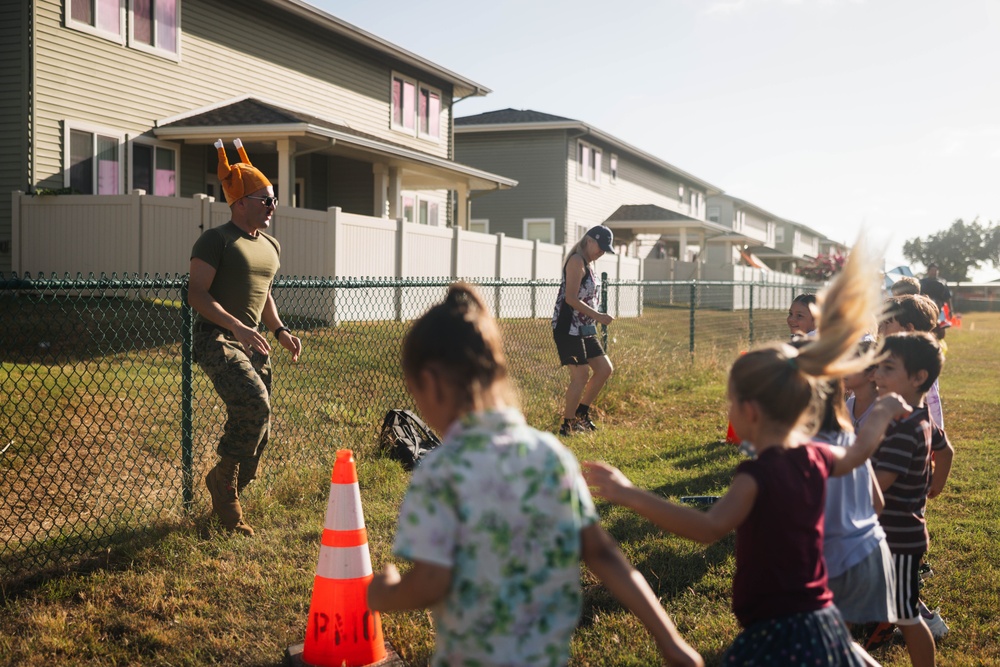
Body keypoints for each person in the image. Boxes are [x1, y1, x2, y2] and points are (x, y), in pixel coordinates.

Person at [584, 241, 911, 665]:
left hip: (777, 630)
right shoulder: (816, 456)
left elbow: (708, 528)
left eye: (732, 403)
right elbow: (856, 457)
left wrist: (629, 493)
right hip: (821, 616)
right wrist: (882, 413)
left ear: (751, 411)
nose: (730, 411)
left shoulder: (758, 474)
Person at [367, 283, 702, 667]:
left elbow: (430, 583)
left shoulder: (441, 472)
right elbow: (603, 554)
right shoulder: (551, 455)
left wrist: (385, 594)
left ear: (431, 383)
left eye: (415, 393)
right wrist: (670, 639)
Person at [188, 139, 302, 536]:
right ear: (240, 201)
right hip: (217, 338)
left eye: (273, 200)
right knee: (254, 404)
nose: (272, 206)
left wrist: (281, 330)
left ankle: (226, 482)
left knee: (261, 428)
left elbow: (264, 294)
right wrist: (235, 325)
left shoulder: (271, 246)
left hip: (253, 341)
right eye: (265, 200)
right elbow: (196, 294)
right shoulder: (215, 240)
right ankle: (225, 491)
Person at [871, 332, 954, 665]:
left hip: (897, 540)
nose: (876, 374)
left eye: (887, 368)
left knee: (906, 616)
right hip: (894, 536)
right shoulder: (919, 416)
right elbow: (945, 451)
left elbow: (877, 485)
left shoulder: (903, 430)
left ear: (919, 377)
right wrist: (936, 484)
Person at [552, 225, 616, 436]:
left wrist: (595, 315)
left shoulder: (589, 265)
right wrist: (599, 316)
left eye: (606, 248)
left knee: (604, 369)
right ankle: (567, 426)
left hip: (584, 328)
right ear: (589, 240)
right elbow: (571, 298)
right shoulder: (576, 261)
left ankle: (581, 414)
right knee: (580, 376)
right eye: (601, 246)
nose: (602, 252)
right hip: (568, 327)